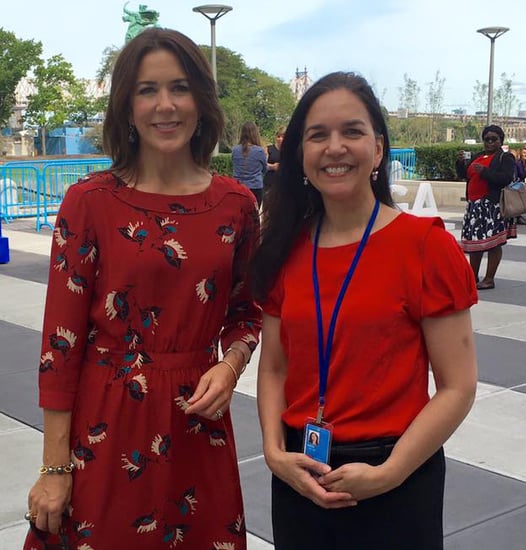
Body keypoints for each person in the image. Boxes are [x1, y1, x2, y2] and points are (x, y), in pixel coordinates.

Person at [24, 28, 261, 550]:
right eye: (147, 90)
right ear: (126, 107)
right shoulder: (88, 203)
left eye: (179, 87)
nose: (166, 105)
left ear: (201, 100)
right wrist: (55, 467)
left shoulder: (236, 205)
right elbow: (59, 348)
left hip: (198, 426)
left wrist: (230, 364)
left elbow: (247, 311)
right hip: (108, 427)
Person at [250, 72, 478, 550]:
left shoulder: (424, 247)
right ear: (300, 154)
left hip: (394, 476)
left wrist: (388, 473)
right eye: (318, 135)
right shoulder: (285, 248)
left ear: (377, 150)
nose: (335, 147)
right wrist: (274, 453)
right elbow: (273, 367)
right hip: (300, 473)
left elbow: (457, 386)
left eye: (351, 132)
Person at [456, 125, 517, 290]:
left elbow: (505, 178)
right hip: (474, 206)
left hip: (492, 205)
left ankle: (489, 279)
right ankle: (472, 277)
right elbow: (464, 175)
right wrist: (461, 163)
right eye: (487, 139)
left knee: (493, 244)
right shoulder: (478, 156)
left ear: (500, 140)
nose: (490, 142)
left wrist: (484, 172)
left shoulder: (506, 158)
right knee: (475, 244)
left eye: (494, 139)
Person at [232, 121, 267, 208]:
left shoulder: (235, 150)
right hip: (255, 187)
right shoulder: (259, 151)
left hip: (238, 186)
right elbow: (264, 169)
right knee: (253, 216)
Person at [263, 126, 286, 195]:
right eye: (278, 136)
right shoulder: (268, 149)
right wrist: (272, 166)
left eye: (283, 137)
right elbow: (263, 165)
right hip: (269, 183)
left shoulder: (289, 151)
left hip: (284, 184)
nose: (280, 139)